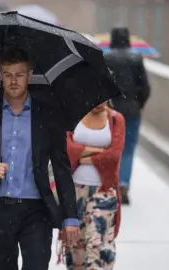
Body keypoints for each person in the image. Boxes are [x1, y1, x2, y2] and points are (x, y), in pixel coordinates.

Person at [0, 47, 79, 270]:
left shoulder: (47, 113)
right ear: (0, 75)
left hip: (37, 211)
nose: (13, 81)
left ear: (29, 74)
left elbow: (61, 166)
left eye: (19, 74)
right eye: (8, 74)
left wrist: (70, 217)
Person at [61, 102, 125, 269]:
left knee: (97, 245)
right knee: (76, 249)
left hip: (103, 191)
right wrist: (98, 151)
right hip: (73, 190)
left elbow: (113, 156)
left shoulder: (116, 119)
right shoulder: (71, 116)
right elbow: (66, 149)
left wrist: (82, 156)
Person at [104, 26, 151, 205]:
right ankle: (123, 184)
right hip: (132, 111)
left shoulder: (106, 57)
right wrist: (138, 104)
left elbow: (101, 84)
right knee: (128, 149)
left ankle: (111, 184)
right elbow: (145, 87)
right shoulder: (136, 58)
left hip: (110, 111)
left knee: (110, 147)